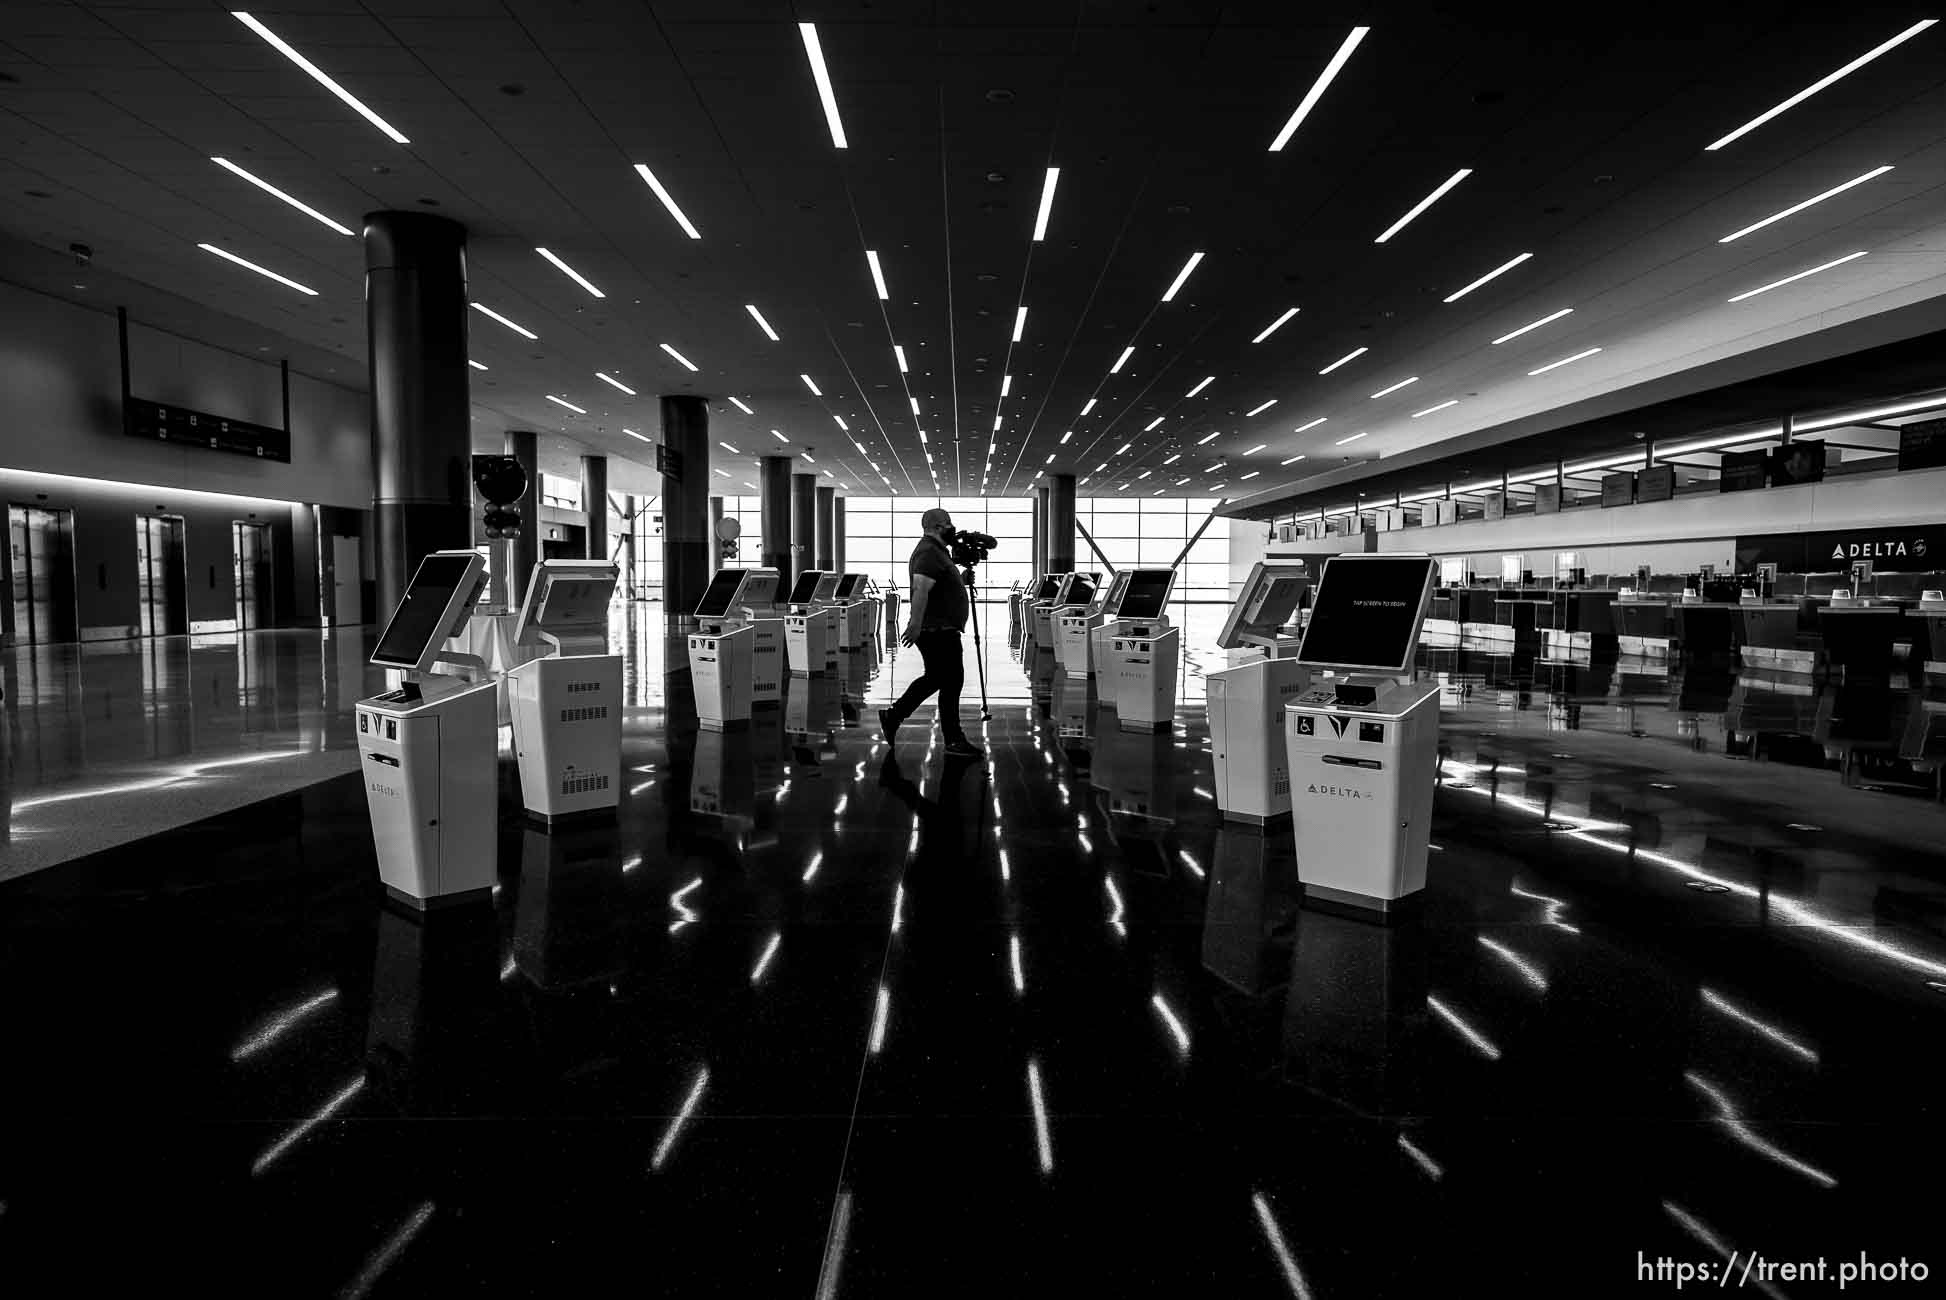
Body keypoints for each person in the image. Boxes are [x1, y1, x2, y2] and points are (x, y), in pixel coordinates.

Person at [879, 507, 981, 757]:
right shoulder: (928, 552)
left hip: (941, 628)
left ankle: (894, 716)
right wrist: (915, 624)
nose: (952, 528)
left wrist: (961, 580)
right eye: (948, 523)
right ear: (937, 527)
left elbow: (938, 585)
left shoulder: (938, 551)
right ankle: (952, 739)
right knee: (950, 680)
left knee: (938, 678)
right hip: (936, 630)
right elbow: (920, 589)